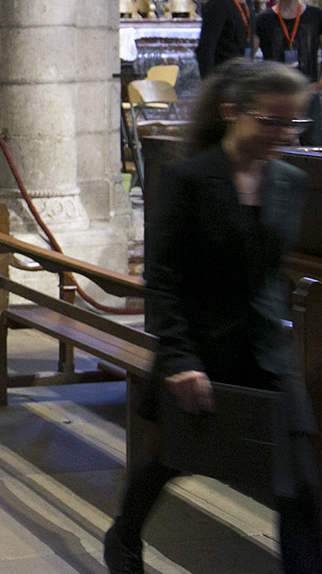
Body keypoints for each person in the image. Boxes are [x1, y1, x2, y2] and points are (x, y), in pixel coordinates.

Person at [104, 59, 322, 574]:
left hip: (268, 352)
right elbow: (165, 278)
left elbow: (267, 275)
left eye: (294, 123)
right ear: (231, 112)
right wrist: (180, 358)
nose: (284, 135)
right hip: (200, 347)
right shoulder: (190, 179)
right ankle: (125, 534)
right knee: (171, 460)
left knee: (299, 489)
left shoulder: (289, 182)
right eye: (270, 122)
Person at [254, 0, 322, 146]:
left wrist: (320, 84)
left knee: (314, 142)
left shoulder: (315, 16)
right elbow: (250, 56)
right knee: (278, 141)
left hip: (308, 87)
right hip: (276, 89)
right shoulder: (263, 20)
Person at [196, 0, 262, 79]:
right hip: (223, 78)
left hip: (242, 76)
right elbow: (206, 49)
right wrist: (209, 84)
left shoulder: (248, 3)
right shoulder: (219, 4)